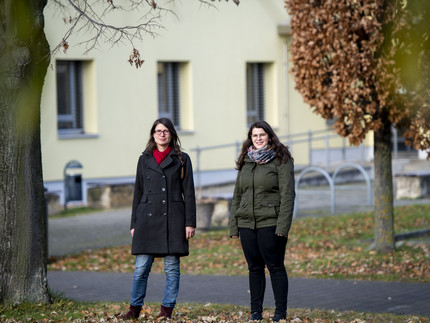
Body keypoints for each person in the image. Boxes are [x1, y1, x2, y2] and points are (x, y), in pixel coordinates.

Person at [121, 118, 196, 320]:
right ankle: (134, 309)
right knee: (141, 268)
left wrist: (190, 222)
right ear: (153, 134)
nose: (161, 134)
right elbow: (137, 192)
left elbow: (188, 192)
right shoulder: (144, 159)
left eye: (165, 131)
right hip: (146, 218)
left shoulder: (182, 159)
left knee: (172, 268)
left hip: (174, 218)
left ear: (171, 134)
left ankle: (166, 310)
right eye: (158, 131)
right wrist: (134, 223)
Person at [230, 121, 295, 322]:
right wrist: (234, 225)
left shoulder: (281, 160)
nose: (258, 139)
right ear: (251, 138)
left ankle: (280, 314)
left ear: (269, 136)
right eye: (254, 135)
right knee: (254, 268)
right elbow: (237, 195)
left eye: (262, 135)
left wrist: (283, 227)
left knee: (275, 267)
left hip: (271, 222)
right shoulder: (246, 160)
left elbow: (288, 195)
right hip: (247, 223)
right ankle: (255, 312)